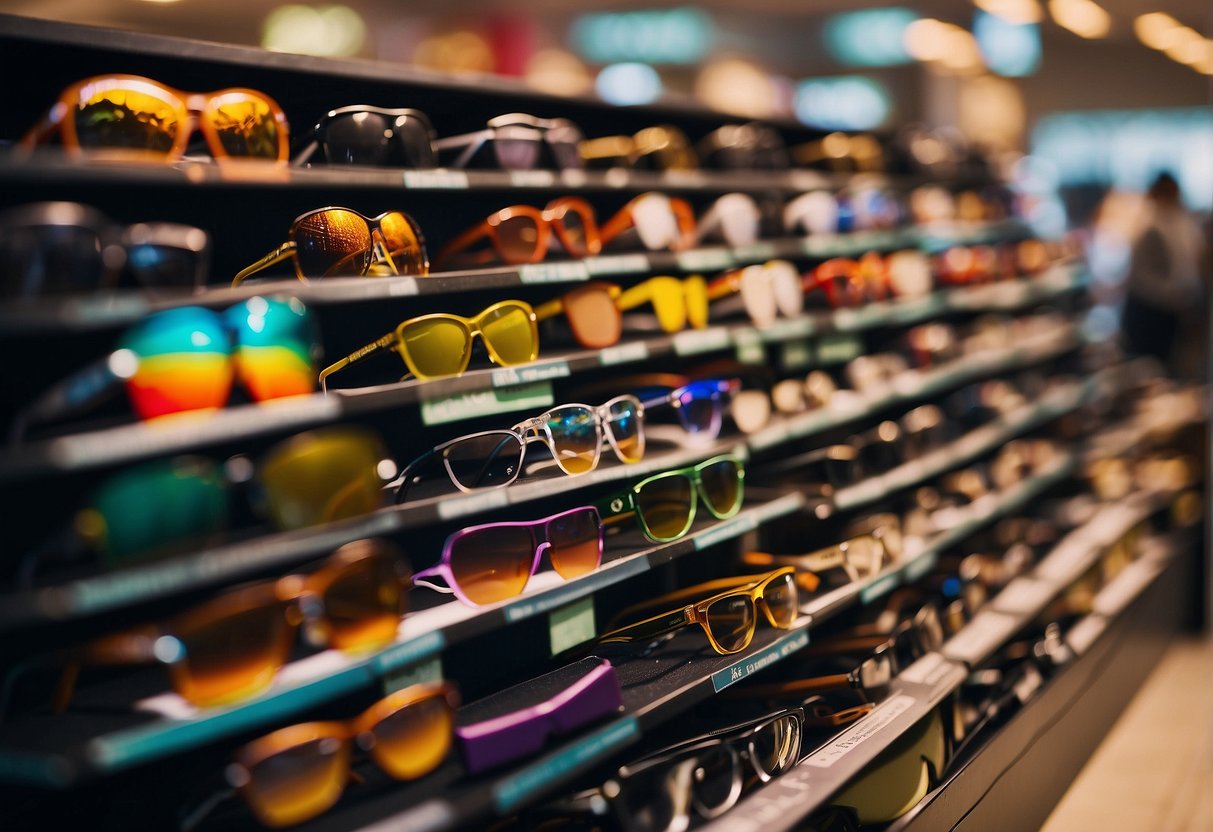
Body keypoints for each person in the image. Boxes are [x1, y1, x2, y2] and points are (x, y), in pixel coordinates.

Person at [1120, 171, 1208, 377]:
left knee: (1171, 365)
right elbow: (1140, 276)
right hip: (1150, 310)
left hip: (1171, 309)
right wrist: (1173, 293)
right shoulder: (1149, 224)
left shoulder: (1179, 221)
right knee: (1151, 368)